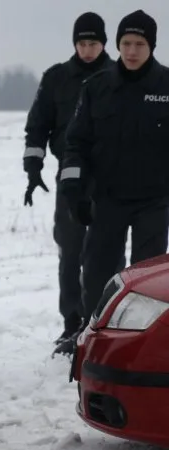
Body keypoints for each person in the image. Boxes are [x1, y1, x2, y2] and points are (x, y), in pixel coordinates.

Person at [60, 10, 169, 333]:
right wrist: (74, 191)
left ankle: (142, 340)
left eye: (139, 43)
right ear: (118, 45)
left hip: (154, 201)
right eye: (126, 43)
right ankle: (91, 336)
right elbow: (76, 143)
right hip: (106, 199)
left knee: (147, 278)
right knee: (97, 273)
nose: (132, 51)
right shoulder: (97, 87)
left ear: (151, 46)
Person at [23, 12, 118, 354]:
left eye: (93, 43)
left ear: (104, 43)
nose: (88, 49)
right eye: (82, 43)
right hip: (69, 178)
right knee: (70, 251)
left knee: (106, 255)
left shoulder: (119, 77)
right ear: (74, 44)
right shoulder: (57, 78)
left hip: (111, 178)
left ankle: (105, 323)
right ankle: (72, 323)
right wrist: (32, 168)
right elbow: (37, 126)